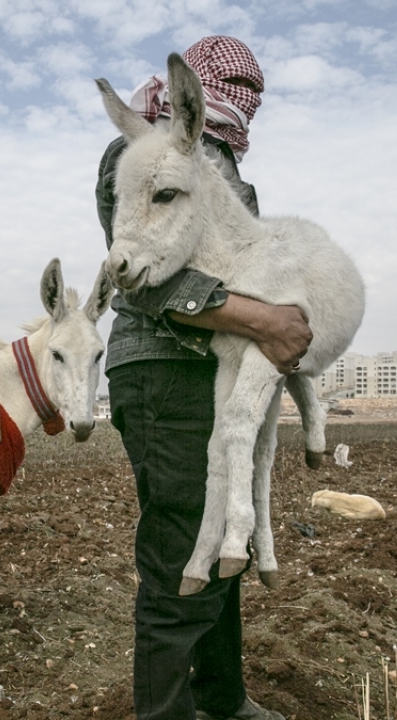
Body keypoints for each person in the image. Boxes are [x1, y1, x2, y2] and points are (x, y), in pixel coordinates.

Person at [96, 36, 310, 720]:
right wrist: (264, 320)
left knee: (224, 540)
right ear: (191, 87)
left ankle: (221, 699)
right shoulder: (141, 152)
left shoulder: (216, 160)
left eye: (256, 93)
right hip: (168, 373)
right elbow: (146, 277)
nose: (245, 103)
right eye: (235, 86)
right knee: (182, 549)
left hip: (217, 376)